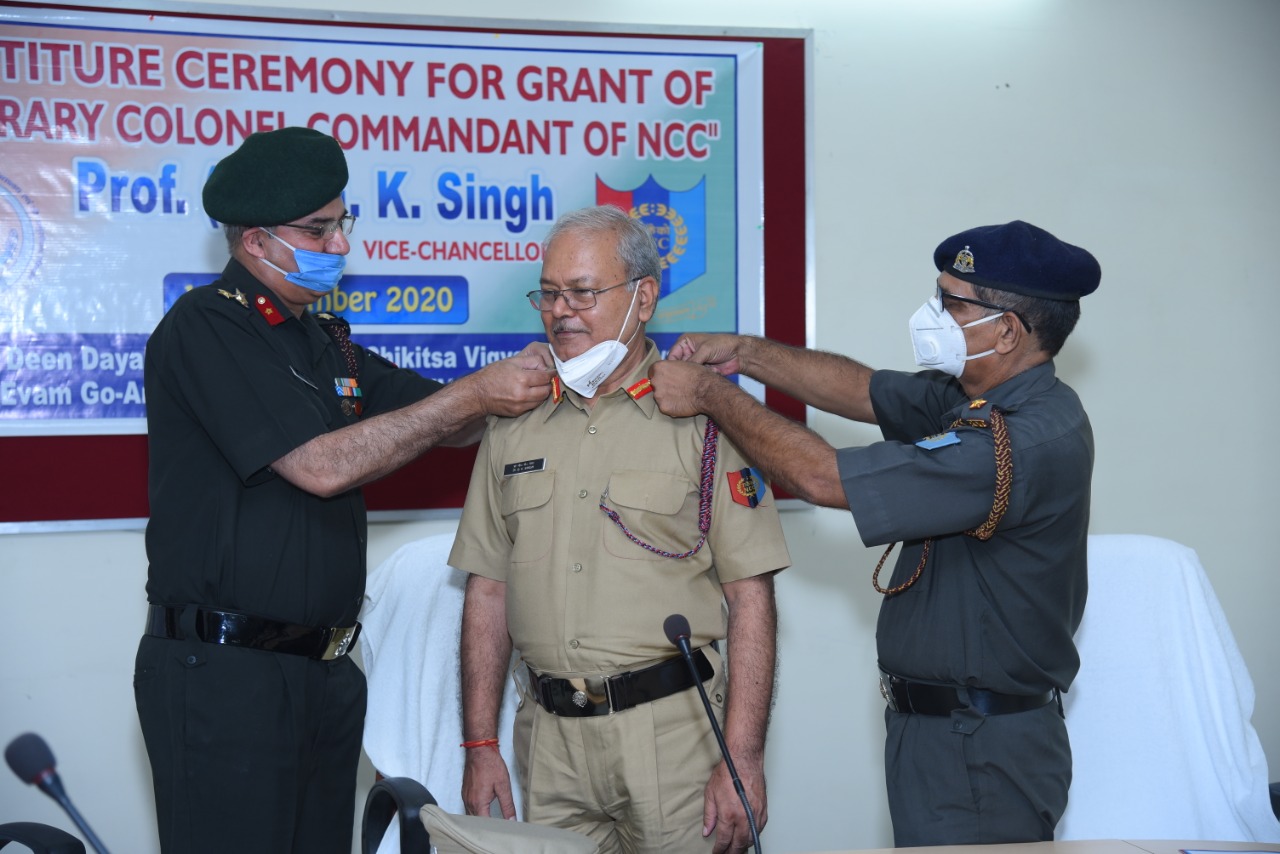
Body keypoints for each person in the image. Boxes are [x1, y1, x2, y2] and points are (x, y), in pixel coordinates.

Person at [134, 126, 553, 854]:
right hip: (227, 678)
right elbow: (321, 467)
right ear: (257, 242)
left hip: (323, 674)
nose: (339, 243)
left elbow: (442, 414)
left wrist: (531, 386)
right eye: (319, 229)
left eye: (342, 221)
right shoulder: (207, 328)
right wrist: (474, 397)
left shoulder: (323, 340)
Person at [648, 220, 1101, 845]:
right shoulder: (979, 399)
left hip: (981, 752)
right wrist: (744, 354)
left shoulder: (1015, 441)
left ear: (1007, 329)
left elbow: (820, 479)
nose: (933, 313)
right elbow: (863, 391)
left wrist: (710, 394)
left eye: (952, 303)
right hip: (940, 734)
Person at [451, 205, 791, 854]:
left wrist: (742, 756)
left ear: (643, 298)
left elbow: (752, 598)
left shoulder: (701, 415)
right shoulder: (514, 419)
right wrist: (480, 744)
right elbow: (486, 590)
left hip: (673, 740)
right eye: (549, 293)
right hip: (548, 745)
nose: (560, 311)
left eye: (582, 291)